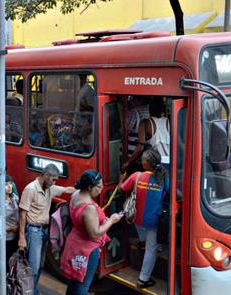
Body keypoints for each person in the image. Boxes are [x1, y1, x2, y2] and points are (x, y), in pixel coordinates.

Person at [61, 170, 123, 295]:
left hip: (73, 244)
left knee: (75, 281)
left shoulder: (76, 194)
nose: (101, 189)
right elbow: (95, 233)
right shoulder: (89, 207)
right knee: (83, 284)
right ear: (89, 187)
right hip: (86, 250)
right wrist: (111, 220)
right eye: (99, 187)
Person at [18, 164, 76, 295]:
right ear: (45, 175)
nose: (55, 183)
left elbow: (67, 189)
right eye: (53, 179)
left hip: (44, 231)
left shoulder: (51, 188)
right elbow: (22, 214)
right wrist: (22, 238)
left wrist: (81, 187)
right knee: (33, 266)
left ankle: (34, 291)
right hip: (33, 232)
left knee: (41, 266)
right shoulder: (30, 189)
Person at [119, 149, 169, 288]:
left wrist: (121, 179)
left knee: (144, 234)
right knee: (151, 249)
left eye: (143, 159)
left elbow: (121, 189)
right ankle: (143, 279)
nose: (141, 161)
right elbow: (171, 193)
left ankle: (142, 242)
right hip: (153, 221)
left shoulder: (136, 176)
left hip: (136, 219)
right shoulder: (163, 177)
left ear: (147, 163)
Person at [125, 99, 170, 171]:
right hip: (170, 161)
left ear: (149, 109)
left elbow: (140, 148)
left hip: (156, 163)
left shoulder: (145, 123)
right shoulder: (168, 121)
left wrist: (128, 163)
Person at [4, 175, 20, 264]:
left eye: (10, 183)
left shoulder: (15, 198)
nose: (9, 186)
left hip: (16, 236)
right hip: (6, 238)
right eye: (6, 184)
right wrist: (10, 228)